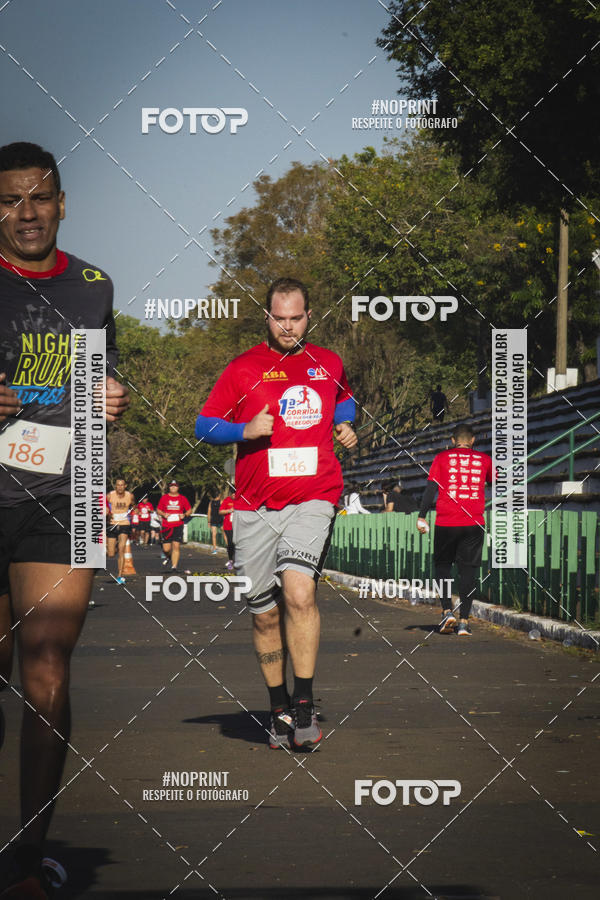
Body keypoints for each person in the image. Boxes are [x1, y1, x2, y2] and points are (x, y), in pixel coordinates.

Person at [0, 141, 129, 896]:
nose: (26, 214)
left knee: (47, 666)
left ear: (62, 203)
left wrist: (109, 393)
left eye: (38, 198)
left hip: (66, 492)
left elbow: (97, 373)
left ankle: (27, 859)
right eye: (10, 200)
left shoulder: (91, 287)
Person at [195, 276, 357, 750]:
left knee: (299, 590)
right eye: (279, 318)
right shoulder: (243, 368)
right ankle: (279, 707)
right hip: (254, 507)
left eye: (296, 318)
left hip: (314, 495)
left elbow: (343, 399)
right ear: (267, 317)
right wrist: (244, 429)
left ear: (309, 316)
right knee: (264, 615)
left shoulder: (327, 363)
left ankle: (304, 707)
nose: (288, 327)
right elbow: (206, 425)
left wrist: (346, 424)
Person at [416, 424, 494, 637]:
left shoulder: (442, 458)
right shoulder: (484, 460)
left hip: (446, 523)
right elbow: (496, 480)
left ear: (452, 441)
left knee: (442, 566)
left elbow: (431, 489)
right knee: (468, 571)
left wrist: (421, 515)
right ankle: (464, 622)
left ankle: (446, 611)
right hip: (474, 523)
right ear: (473, 440)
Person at [157, 480, 191, 572]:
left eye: (175, 486)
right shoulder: (164, 498)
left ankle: (174, 566)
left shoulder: (182, 498)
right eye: (171, 486)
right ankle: (168, 557)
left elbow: (189, 510)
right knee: (166, 549)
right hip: (166, 525)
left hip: (178, 525)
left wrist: (184, 515)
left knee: (176, 546)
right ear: (169, 487)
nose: (173, 487)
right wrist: (164, 514)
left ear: (178, 487)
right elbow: (158, 510)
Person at [106, 478, 135, 585]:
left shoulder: (130, 496)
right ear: (115, 486)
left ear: (125, 486)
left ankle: (120, 575)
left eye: (122, 485)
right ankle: (114, 548)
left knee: (122, 549)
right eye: (118, 485)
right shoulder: (110, 495)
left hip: (124, 524)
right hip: (113, 524)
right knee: (111, 554)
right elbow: (102, 504)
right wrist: (107, 512)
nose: (120, 487)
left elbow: (133, 505)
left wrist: (133, 510)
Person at [219, 493, 235, 570]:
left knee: (238, 544)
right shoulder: (227, 500)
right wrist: (229, 510)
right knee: (230, 543)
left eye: (236, 493)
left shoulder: (241, 500)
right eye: (233, 494)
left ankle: (237, 561)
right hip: (228, 526)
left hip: (239, 526)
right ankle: (231, 560)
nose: (234, 495)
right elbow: (220, 511)